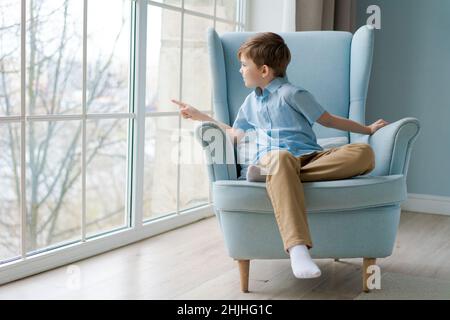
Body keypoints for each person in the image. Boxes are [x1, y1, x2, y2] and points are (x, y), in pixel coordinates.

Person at [171, 32, 388, 279]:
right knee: (281, 158)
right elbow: (235, 134)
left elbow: (328, 120)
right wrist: (202, 117)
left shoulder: (293, 94)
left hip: (310, 158)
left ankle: (274, 177)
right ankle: (297, 248)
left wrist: (367, 129)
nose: (240, 70)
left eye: (244, 65)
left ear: (264, 71)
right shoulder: (249, 104)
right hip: (274, 158)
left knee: (364, 153)